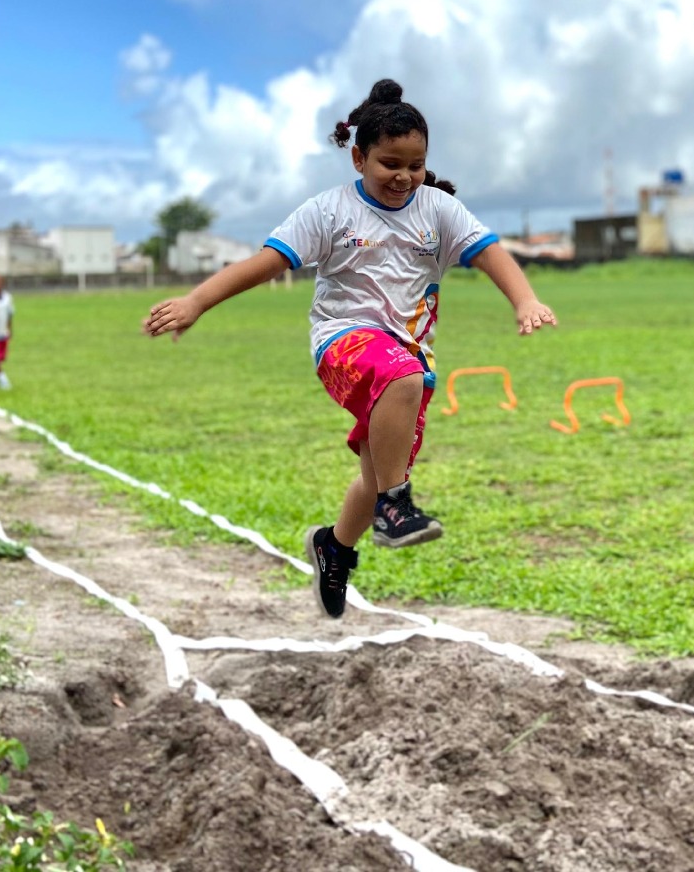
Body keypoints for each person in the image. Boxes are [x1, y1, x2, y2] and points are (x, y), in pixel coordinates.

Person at [143, 78, 557, 619]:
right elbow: (264, 264)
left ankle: (335, 546)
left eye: (415, 164)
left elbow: (491, 254)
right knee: (399, 392)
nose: (403, 176)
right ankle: (396, 506)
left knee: (375, 469)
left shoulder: (436, 209)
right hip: (343, 342)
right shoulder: (328, 212)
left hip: (410, 355)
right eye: (390, 163)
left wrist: (524, 300)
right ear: (359, 157)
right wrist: (197, 301)